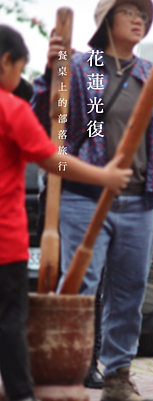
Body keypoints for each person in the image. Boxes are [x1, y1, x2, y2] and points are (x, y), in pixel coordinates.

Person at [31, 1, 153, 400]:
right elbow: (47, 117)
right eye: (129, 11)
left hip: (138, 201)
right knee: (81, 283)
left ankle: (117, 376)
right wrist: (52, 71)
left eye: (143, 15)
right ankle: (73, 367)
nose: (139, 19)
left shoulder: (151, 77)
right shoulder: (81, 66)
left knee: (131, 289)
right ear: (106, 21)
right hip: (83, 197)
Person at [0, 24, 131, 401]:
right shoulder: (10, 108)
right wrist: (102, 175)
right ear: (7, 62)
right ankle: (22, 393)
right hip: (6, 241)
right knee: (10, 318)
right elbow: (52, 161)